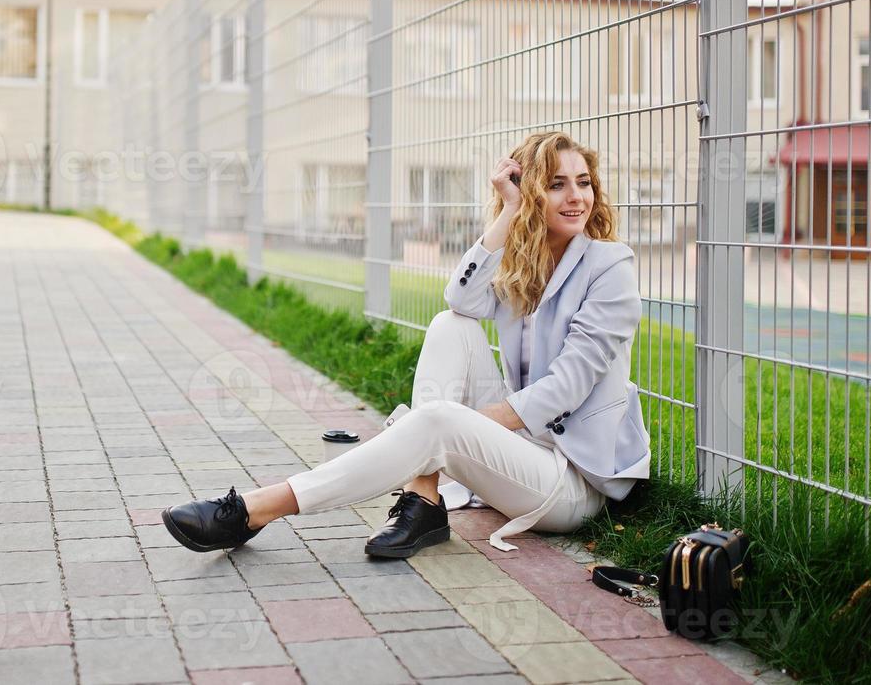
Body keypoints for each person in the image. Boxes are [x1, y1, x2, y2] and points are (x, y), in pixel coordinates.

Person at [162, 130, 650, 556]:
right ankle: (424, 497)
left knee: (437, 423)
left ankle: (254, 509)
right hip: (520, 449)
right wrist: (509, 210)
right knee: (448, 325)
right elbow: (460, 296)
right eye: (556, 184)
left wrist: (447, 429)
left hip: (569, 482)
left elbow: (567, 387)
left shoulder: (610, 267)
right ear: (531, 193)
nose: (576, 197)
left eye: (583, 182)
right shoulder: (523, 264)